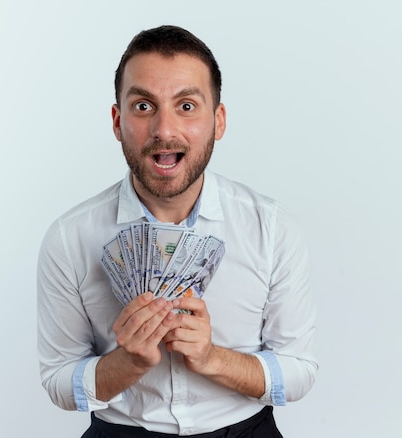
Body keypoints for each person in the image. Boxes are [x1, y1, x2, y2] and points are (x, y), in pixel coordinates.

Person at [37, 25, 317, 437]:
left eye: (186, 106)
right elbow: (58, 381)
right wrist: (127, 363)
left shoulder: (272, 228)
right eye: (143, 106)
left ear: (218, 121)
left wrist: (212, 358)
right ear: (117, 121)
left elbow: (300, 371)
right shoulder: (68, 238)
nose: (164, 130)